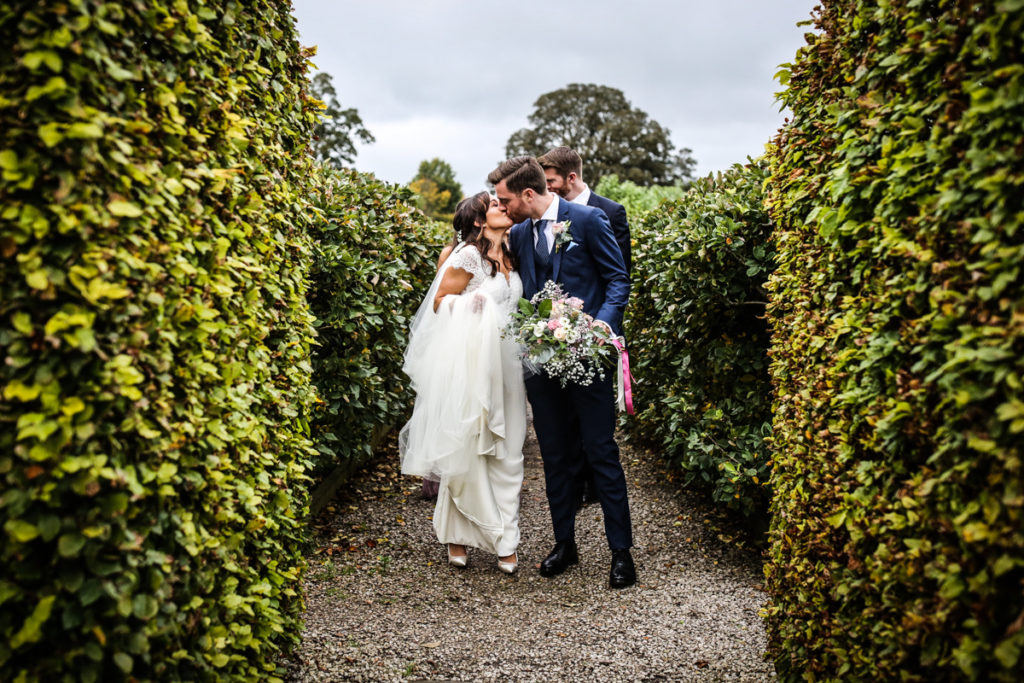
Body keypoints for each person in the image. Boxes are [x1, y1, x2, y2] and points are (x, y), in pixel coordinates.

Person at [487, 156, 636, 589]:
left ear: (528, 195)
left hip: (587, 358)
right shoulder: (517, 232)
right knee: (555, 455)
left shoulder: (587, 220)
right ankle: (564, 544)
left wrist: (602, 326)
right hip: (540, 365)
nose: (501, 205)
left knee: (600, 451)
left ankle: (621, 552)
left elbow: (617, 279)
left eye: (505, 199)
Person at [399, 192, 526, 573]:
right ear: (478, 221)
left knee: (509, 451)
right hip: (472, 366)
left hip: (508, 369)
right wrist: (472, 306)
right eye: (496, 205)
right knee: (468, 449)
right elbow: (439, 301)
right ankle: (463, 537)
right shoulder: (467, 256)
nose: (505, 207)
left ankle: (504, 534)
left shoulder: (515, 254)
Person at [538, 146, 633, 508]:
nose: (548, 190)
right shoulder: (546, 217)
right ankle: (574, 485)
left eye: (552, 182)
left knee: (597, 427)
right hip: (556, 330)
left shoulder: (609, 212)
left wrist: (600, 330)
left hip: (595, 332)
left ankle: (596, 482)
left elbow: (619, 276)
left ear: (571, 178)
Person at [538, 146, 632, 273]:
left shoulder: (612, 212)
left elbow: (620, 271)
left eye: (550, 181)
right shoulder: (547, 212)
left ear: (571, 178)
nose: (546, 187)